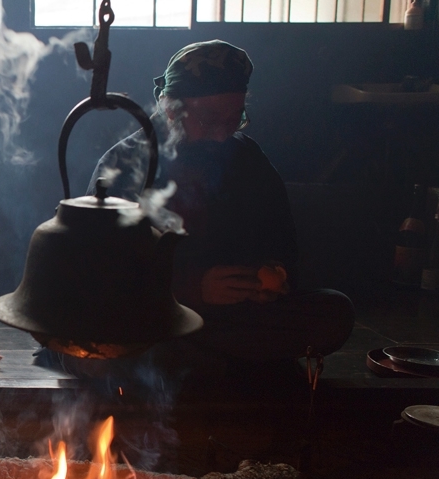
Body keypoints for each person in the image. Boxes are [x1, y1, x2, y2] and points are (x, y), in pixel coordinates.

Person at [87, 40, 354, 363]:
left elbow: (283, 242)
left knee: (333, 312)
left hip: (233, 316)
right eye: (209, 120)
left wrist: (274, 277)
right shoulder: (126, 163)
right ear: (172, 109)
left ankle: (192, 360)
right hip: (157, 313)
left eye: (234, 119)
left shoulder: (246, 158)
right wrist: (192, 288)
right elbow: (100, 272)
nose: (220, 134)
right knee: (104, 331)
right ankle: (211, 360)